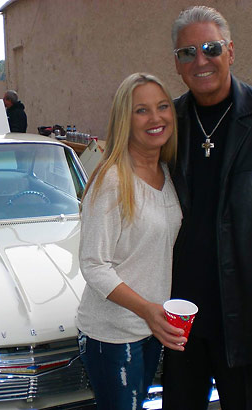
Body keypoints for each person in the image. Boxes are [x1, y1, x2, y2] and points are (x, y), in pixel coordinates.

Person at [163, 6, 252, 410]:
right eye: (187, 53)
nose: (200, 60)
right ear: (177, 65)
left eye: (210, 48)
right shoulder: (168, 123)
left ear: (231, 52)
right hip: (178, 320)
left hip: (251, 320)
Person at [76, 73, 185, 410]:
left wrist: (154, 316)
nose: (156, 118)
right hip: (113, 333)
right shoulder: (112, 180)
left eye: (163, 106)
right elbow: (94, 264)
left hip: (152, 328)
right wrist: (147, 311)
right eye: (142, 110)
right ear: (125, 119)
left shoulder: (167, 173)